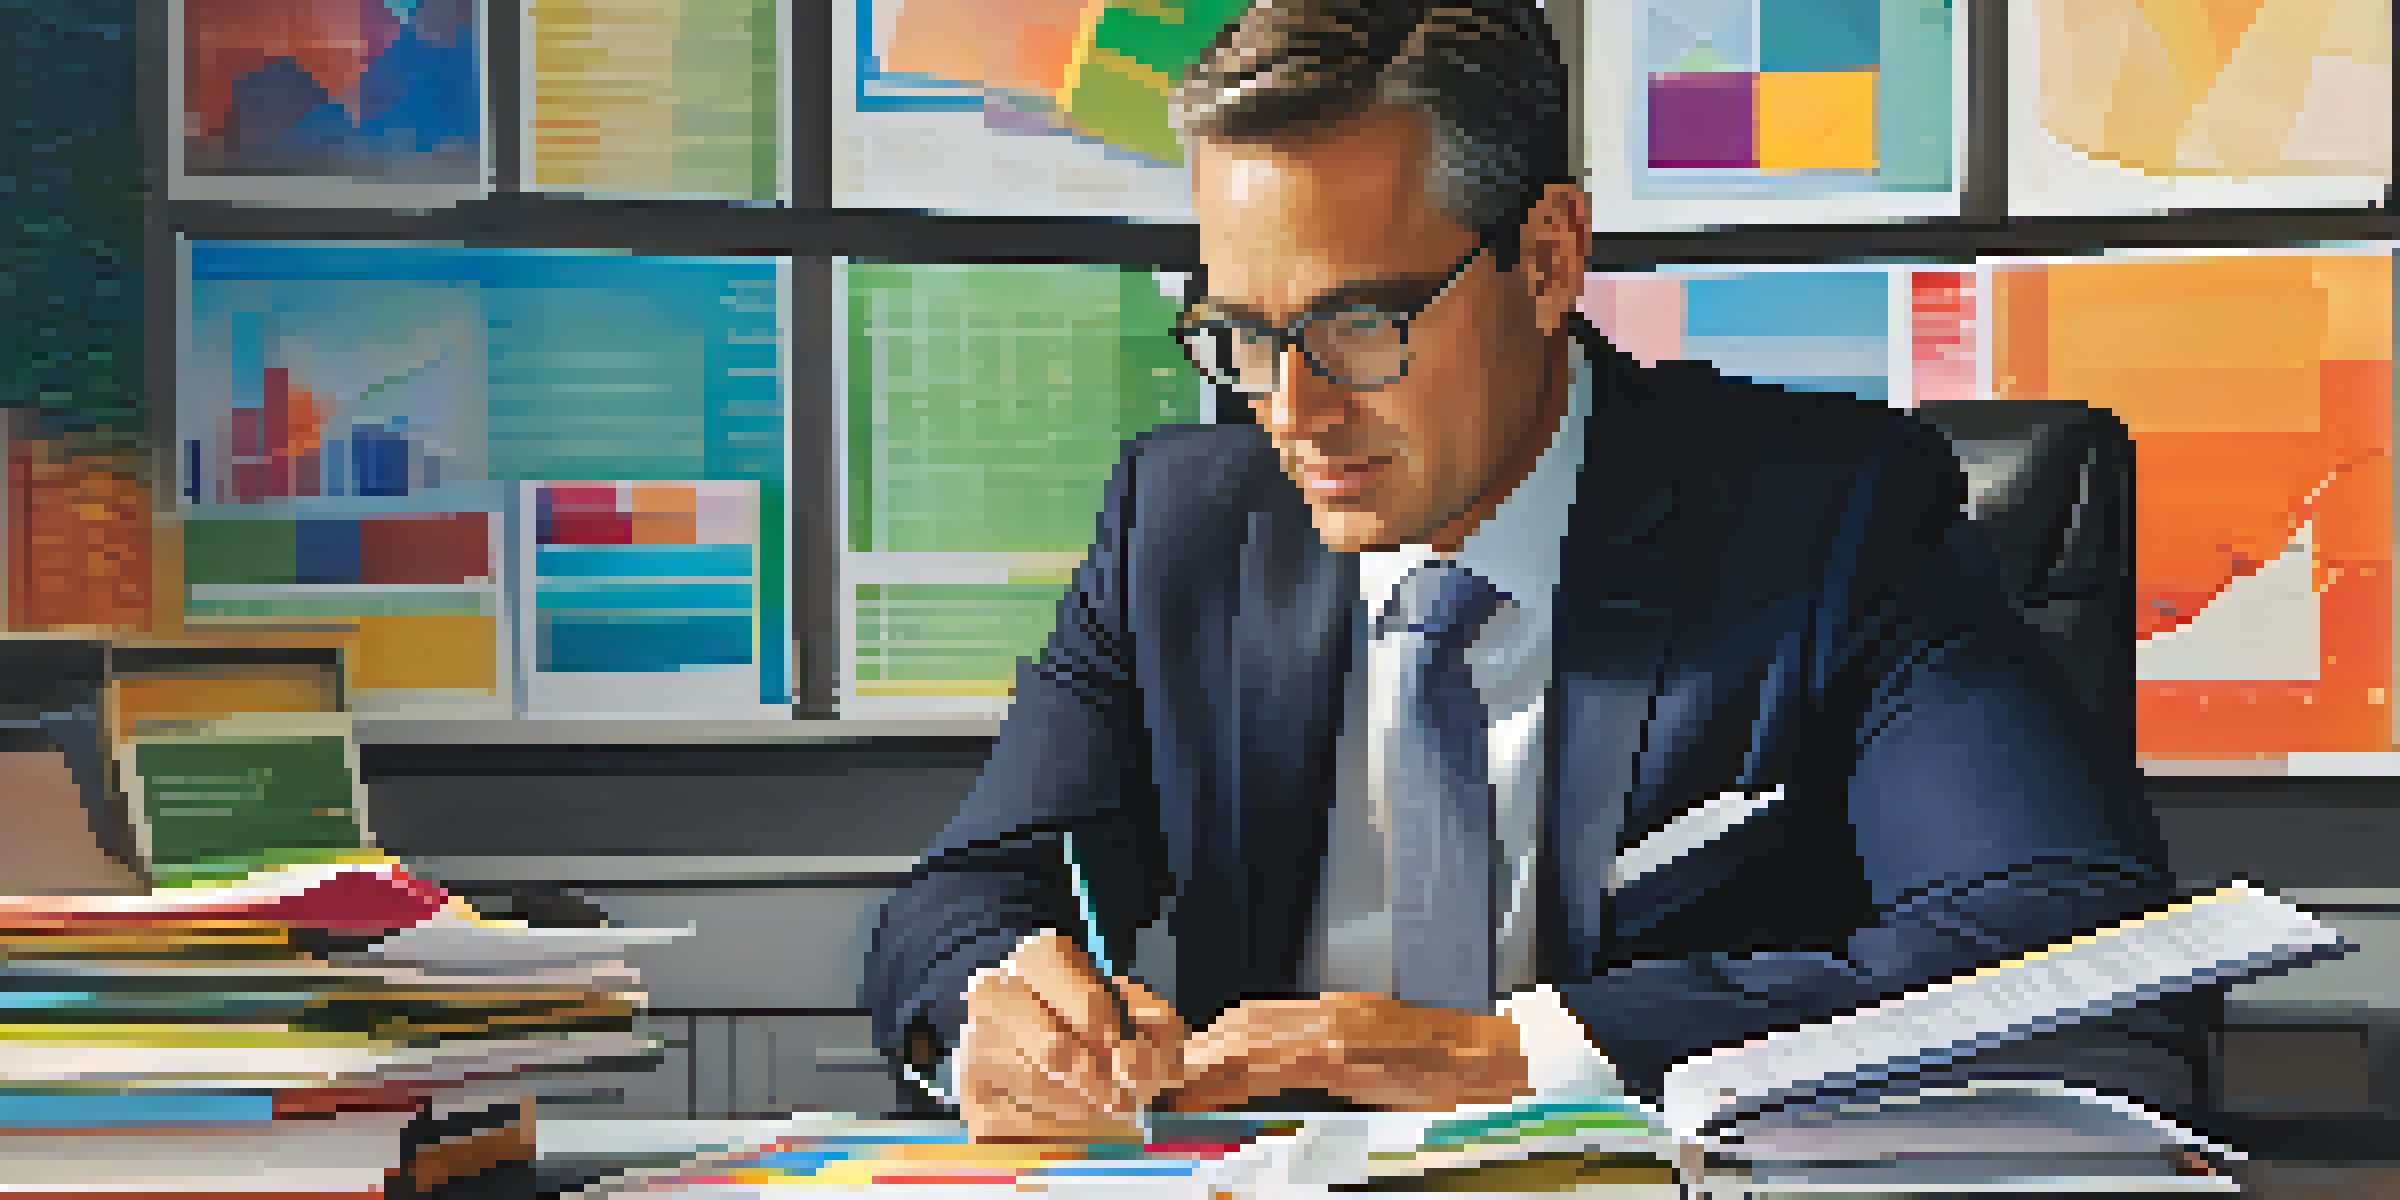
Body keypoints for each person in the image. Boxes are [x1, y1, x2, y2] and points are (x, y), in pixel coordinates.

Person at [865, 0, 2203, 1142]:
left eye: (1358, 323)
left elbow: (2071, 939)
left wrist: (1519, 1055)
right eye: (1243, 334)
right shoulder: (1181, 528)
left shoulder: (1827, 517)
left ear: (1549, 260)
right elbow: (960, 902)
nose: (1292, 412)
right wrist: (994, 1006)